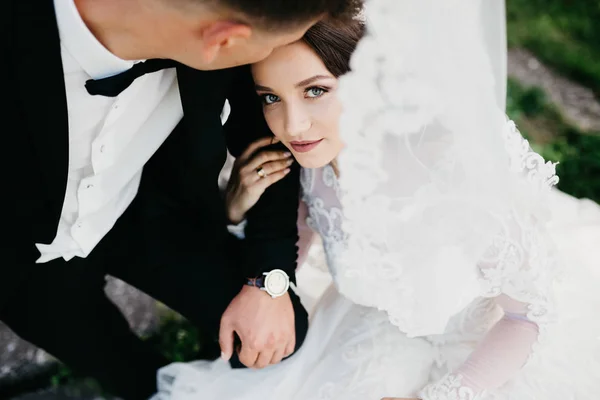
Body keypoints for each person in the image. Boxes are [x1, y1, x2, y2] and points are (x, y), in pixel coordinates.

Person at [154, 1, 600, 399]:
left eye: (315, 90)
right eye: (271, 97)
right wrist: (237, 204)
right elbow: (289, 256)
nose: (292, 126)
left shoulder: (457, 178)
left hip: (485, 357)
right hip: (369, 333)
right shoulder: (313, 167)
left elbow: (529, 318)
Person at [0, 0, 362, 399]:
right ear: (224, 42)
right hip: (20, 247)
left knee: (271, 339)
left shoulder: (229, 29)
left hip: (144, 211)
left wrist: (267, 278)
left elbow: (266, 146)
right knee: (104, 355)